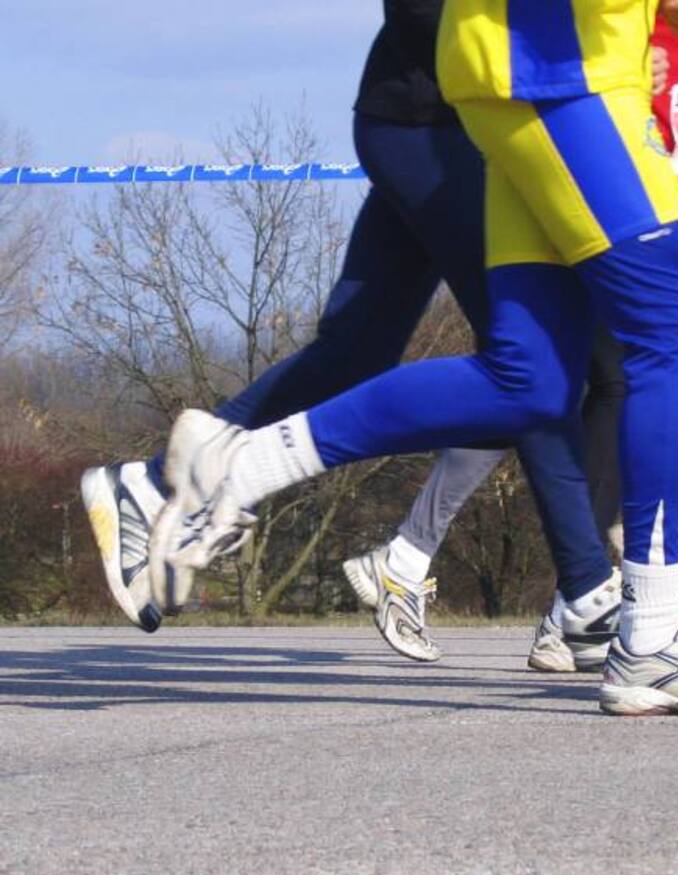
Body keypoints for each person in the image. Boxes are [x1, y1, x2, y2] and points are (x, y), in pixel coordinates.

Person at [147, 0, 678, 716]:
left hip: (537, 70)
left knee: (529, 379)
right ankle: (650, 633)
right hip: (552, 68)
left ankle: (231, 468)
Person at [81, 0, 621, 660]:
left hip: (446, 123)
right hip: (436, 126)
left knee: (360, 348)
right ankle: (589, 592)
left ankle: (153, 483)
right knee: (534, 366)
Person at [357, 2, 678, 678]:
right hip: (625, 213)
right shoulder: (640, 21)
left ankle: (513, 588)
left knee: (555, 380)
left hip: (637, 218)